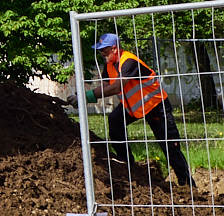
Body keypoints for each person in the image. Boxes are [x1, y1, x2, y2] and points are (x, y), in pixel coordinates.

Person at [69, 33, 193, 187]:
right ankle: (125, 162)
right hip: (133, 106)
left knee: (169, 146)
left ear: (115, 49)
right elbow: (106, 85)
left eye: (104, 51)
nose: (102, 54)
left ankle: (187, 184)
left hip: (155, 105)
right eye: (100, 51)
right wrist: (82, 96)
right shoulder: (109, 65)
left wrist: (87, 96)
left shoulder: (129, 61)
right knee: (115, 120)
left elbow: (117, 86)